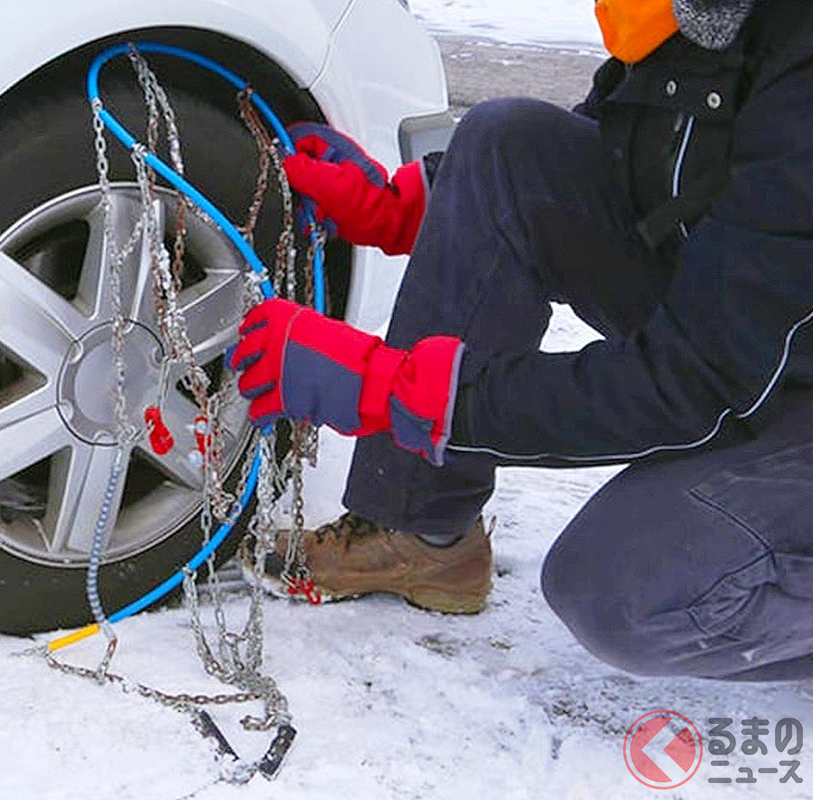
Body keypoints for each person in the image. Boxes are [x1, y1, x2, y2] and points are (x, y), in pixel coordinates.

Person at [229, 0, 813, 681]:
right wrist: (410, 205)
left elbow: (694, 382)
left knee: (623, 591)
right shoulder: (703, 16)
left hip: (759, 373)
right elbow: (598, 153)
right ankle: (420, 530)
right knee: (504, 143)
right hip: (762, 337)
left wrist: (400, 391)